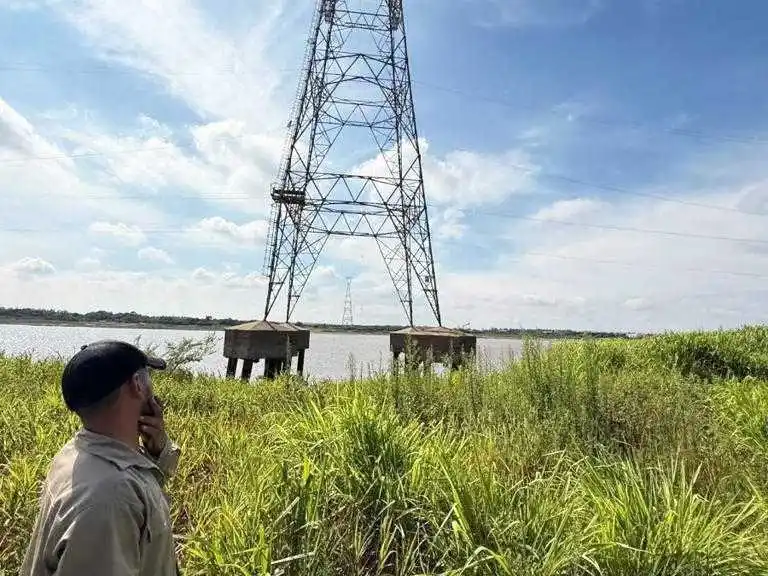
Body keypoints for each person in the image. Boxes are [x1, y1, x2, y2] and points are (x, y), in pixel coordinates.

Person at [20, 340, 182, 576]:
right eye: (148, 377)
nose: (152, 389)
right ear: (136, 384)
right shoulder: (112, 497)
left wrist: (158, 451)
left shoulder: (79, 451)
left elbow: (138, 481)